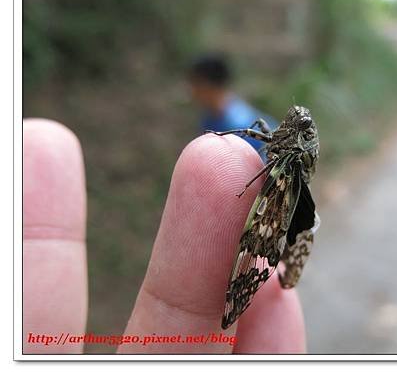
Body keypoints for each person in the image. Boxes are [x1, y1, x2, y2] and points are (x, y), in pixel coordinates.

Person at [23, 119, 305, 354]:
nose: (290, 121)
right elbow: (258, 129)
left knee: (255, 232)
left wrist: (246, 185)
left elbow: (270, 169)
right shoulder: (281, 137)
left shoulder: (291, 158)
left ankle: (250, 284)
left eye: (298, 125)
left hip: (279, 194)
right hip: (274, 176)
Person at [188, 53, 277, 160]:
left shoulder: (240, 123)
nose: (191, 91)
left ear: (207, 84)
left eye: (194, 84)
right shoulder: (209, 118)